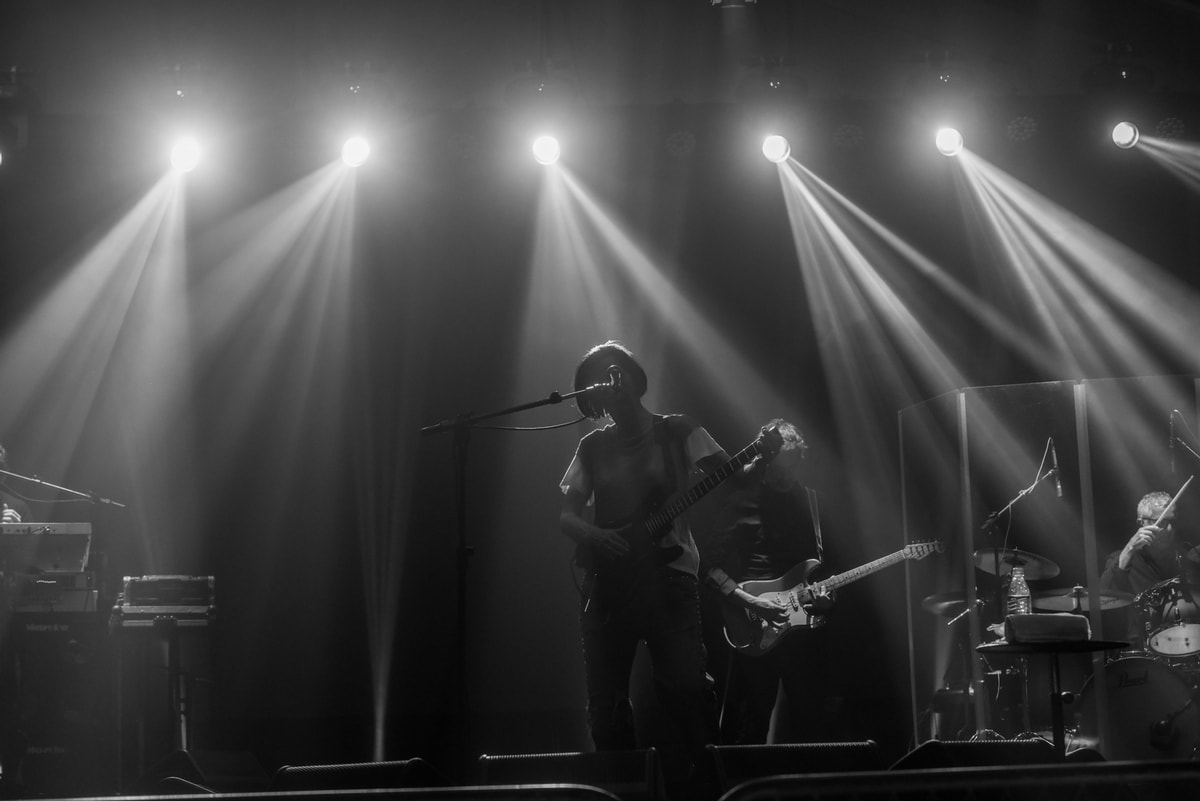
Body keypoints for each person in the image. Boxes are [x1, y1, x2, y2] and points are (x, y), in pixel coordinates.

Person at [558, 341, 780, 791]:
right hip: (609, 585)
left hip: (669, 578)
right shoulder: (592, 446)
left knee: (687, 692)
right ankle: (619, 791)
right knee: (606, 708)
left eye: (616, 369)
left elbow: (734, 477)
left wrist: (759, 455)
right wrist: (596, 536)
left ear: (634, 376)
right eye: (599, 377)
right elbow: (566, 516)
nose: (610, 379)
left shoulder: (677, 429)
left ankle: (711, 790)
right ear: (591, 397)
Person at [702, 419, 836, 744]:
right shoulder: (740, 502)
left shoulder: (815, 505)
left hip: (803, 631)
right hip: (752, 625)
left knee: (813, 728)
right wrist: (749, 601)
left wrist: (828, 599)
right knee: (746, 732)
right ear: (764, 462)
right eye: (779, 467)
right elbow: (707, 566)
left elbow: (828, 571)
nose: (785, 474)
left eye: (792, 466)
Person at [1100, 490, 1200, 644]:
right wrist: (1130, 549)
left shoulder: (1188, 555)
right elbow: (1103, 598)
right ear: (1142, 523)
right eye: (1162, 523)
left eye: (1173, 522)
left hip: (1190, 642)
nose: (1169, 529)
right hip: (1143, 648)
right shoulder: (1122, 560)